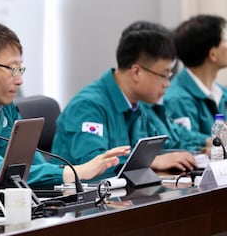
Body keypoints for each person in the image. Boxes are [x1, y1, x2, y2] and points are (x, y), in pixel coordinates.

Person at [0, 19, 129, 189]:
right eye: (12, 69)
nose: (19, 80)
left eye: (20, 69)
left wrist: (64, 180)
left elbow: (26, 160)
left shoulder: (2, 103)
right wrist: (75, 172)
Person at [52, 21, 197, 180]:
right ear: (136, 72)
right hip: (82, 194)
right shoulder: (88, 106)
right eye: (164, 75)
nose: (167, 83)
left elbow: (163, 148)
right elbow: (92, 164)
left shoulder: (138, 106)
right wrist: (152, 162)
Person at [163, 14, 227, 148]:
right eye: (224, 40)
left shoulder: (222, 92)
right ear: (212, 54)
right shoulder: (177, 99)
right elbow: (189, 150)